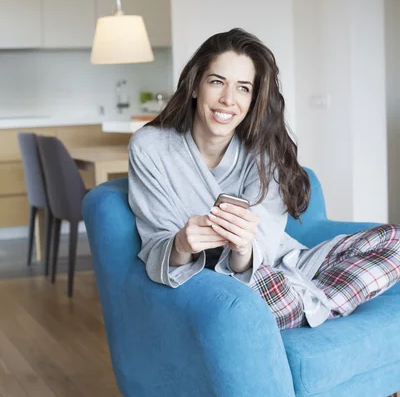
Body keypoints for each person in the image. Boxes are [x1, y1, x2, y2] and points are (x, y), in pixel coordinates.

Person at [128, 28, 400, 330]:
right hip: (227, 284)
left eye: (243, 88)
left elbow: (268, 248)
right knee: (244, 297)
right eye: (217, 82)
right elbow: (156, 245)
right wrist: (181, 244)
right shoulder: (151, 146)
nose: (228, 99)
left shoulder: (266, 150)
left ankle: (303, 307)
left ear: (254, 98)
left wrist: (244, 249)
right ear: (195, 87)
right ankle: (313, 306)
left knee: (396, 240)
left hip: (281, 266)